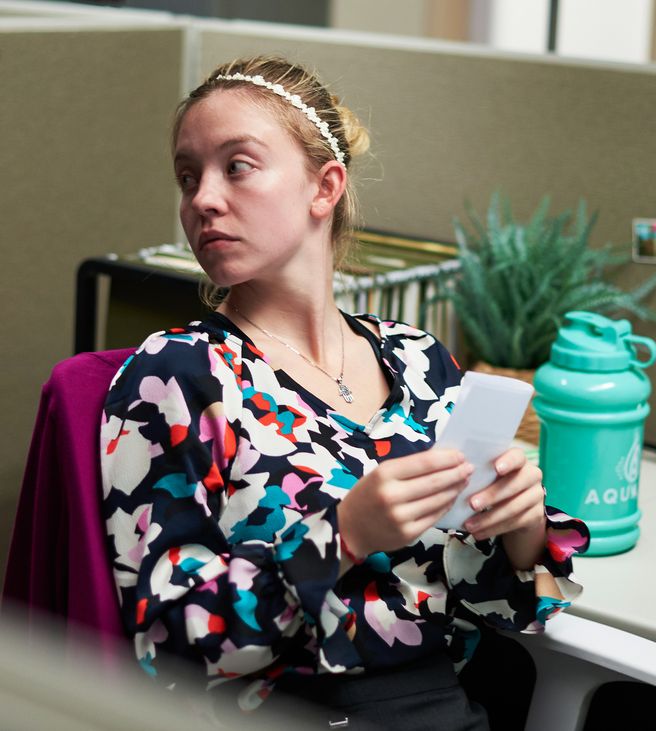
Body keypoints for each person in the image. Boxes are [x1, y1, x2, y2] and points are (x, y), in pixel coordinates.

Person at [99, 55, 589, 729]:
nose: (202, 199)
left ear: (324, 187)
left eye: (236, 166)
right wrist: (344, 536)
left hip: (446, 707)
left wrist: (521, 531)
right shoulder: (177, 376)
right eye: (189, 176)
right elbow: (171, 646)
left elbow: (487, 607)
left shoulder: (419, 361)